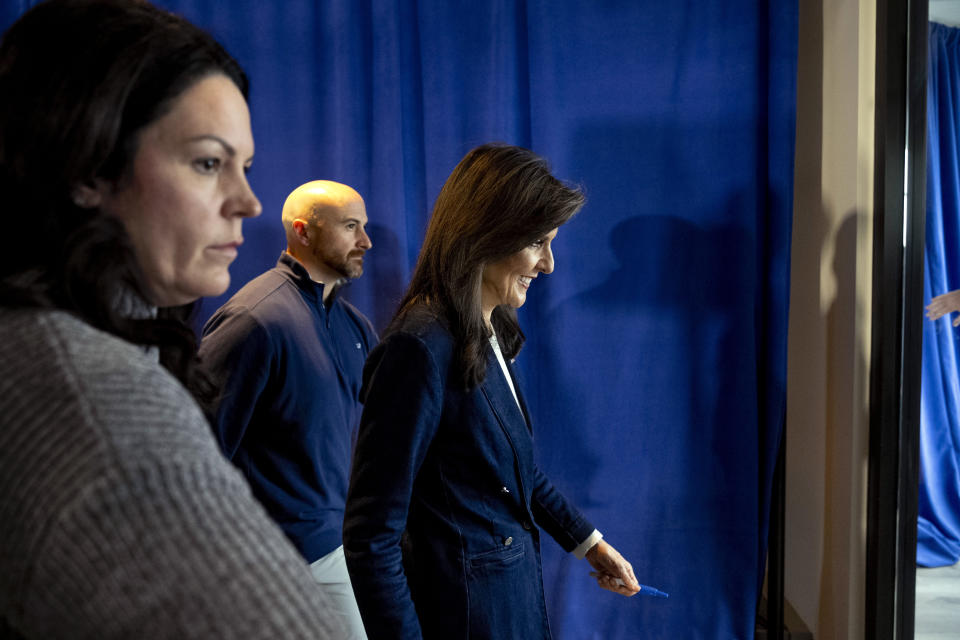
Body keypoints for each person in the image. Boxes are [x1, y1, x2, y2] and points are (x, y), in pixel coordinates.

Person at [0, 1, 341, 637]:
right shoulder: (99, 403)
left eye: (245, 166)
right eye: (208, 163)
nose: (247, 201)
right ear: (89, 169)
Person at [342, 143, 640, 640]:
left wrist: (589, 543)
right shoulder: (418, 348)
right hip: (465, 617)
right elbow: (371, 536)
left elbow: (512, 470)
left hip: (510, 605)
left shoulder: (490, 329)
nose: (548, 265)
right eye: (538, 243)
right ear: (487, 236)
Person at [200, 180, 377, 639]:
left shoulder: (355, 326)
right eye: (351, 227)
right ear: (303, 232)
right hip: (280, 558)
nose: (366, 241)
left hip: (346, 546)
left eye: (365, 227)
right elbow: (198, 453)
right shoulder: (253, 320)